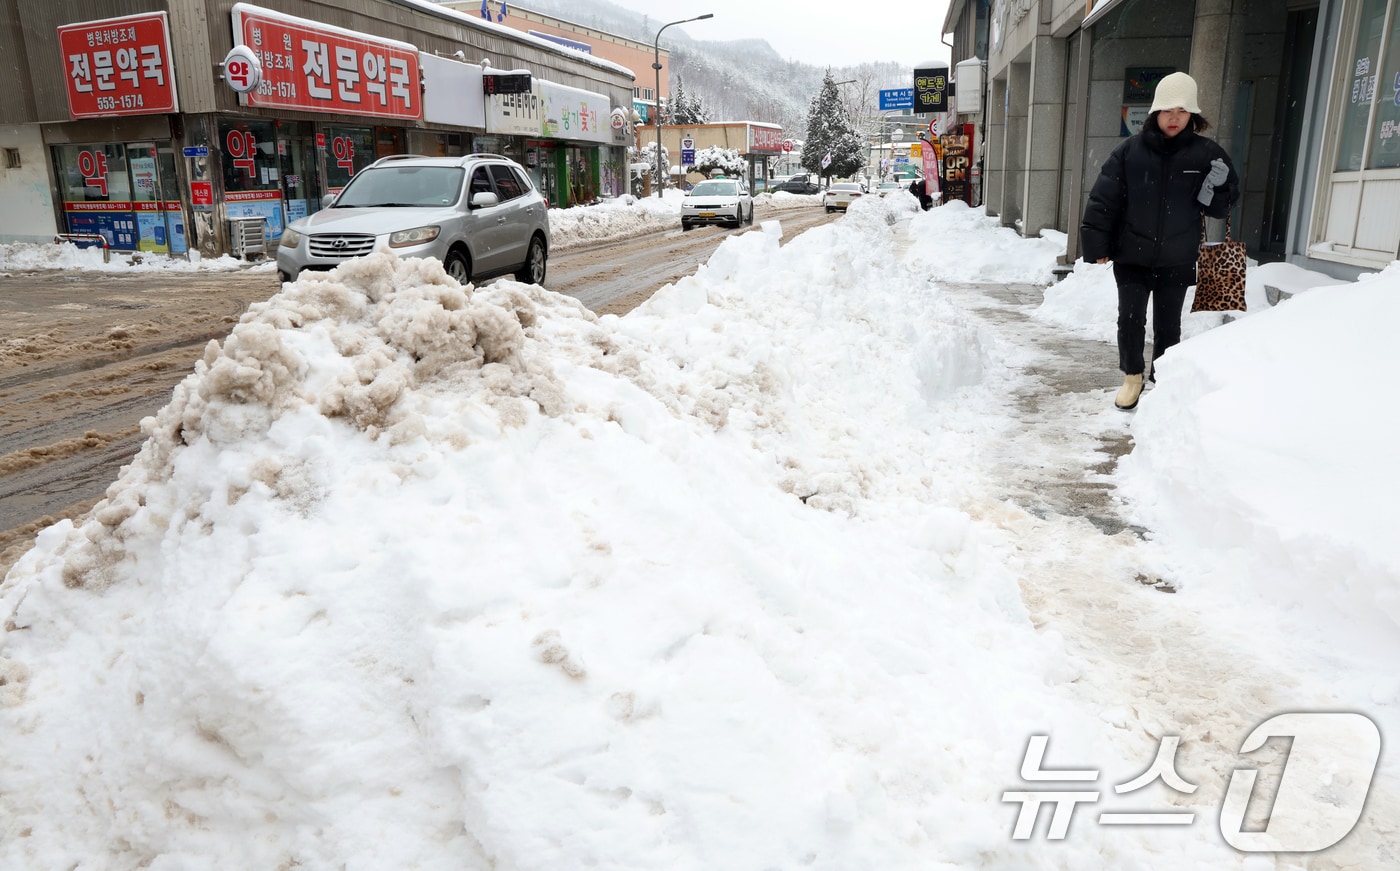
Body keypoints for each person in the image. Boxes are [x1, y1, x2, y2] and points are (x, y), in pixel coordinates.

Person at [1080, 71, 1240, 410]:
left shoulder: (1207, 154)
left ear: (1192, 114)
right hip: (1132, 255)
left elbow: (1220, 208)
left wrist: (1217, 187)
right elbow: (1104, 200)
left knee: (1169, 326)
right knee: (1130, 320)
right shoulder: (1129, 152)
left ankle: (1163, 378)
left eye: (1182, 111)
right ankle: (1132, 376)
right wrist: (1097, 245)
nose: (1174, 117)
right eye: (1168, 110)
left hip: (1177, 257)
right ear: (1156, 112)